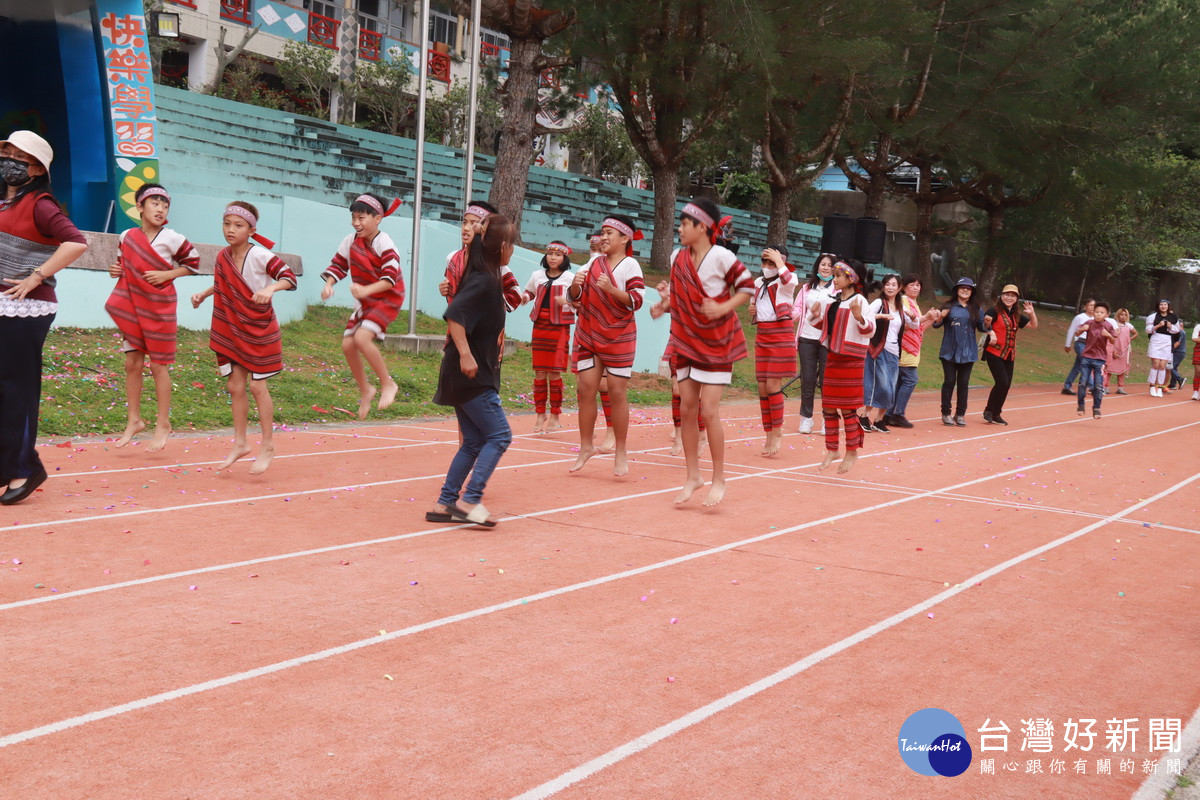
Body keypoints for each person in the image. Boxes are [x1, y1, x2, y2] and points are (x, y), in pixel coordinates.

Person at [0, 130, 88, 505]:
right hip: (5, 305)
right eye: (6, 151)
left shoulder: (40, 203)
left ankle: (22, 468)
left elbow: (77, 241)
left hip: (27, 309)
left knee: (14, 390)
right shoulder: (6, 201)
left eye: (19, 156)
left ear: (36, 168)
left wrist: (36, 275)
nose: (9, 159)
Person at [190, 201, 297, 474]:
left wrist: (271, 288)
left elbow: (289, 278)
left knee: (257, 387)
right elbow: (221, 284)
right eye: (227, 223)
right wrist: (204, 294)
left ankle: (268, 445)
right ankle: (240, 443)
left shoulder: (261, 255)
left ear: (251, 229)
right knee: (235, 387)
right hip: (232, 328)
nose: (230, 229)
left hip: (259, 329)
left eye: (238, 225)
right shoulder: (223, 256)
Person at [664, 198, 754, 503]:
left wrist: (722, 307)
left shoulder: (722, 257)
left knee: (709, 411)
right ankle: (693, 475)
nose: (679, 228)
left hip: (717, 344)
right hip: (686, 342)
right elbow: (677, 297)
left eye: (684, 223)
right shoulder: (677, 256)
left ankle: (719, 478)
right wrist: (664, 303)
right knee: (687, 409)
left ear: (702, 226)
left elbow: (747, 287)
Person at [427, 215, 515, 528]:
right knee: (501, 435)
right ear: (503, 247)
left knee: (474, 441)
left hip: (467, 373)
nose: (513, 249)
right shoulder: (484, 280)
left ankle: (445, 502)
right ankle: (470, 499)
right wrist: (466, 355)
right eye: (513, 243)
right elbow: (455, 316)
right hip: (471, 374)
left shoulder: (485, 275)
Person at [104, 183, 200, 452]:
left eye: (165, 205)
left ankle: (163, 422)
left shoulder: (173, 238)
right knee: (132, 364)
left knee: (159, 366)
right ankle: (134, 420)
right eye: (155, 203)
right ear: (139, 207)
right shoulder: (126, 235)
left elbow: (194, 264)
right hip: (134, 305)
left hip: (160, 308)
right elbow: (124, 265)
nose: (160, 209)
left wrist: (167, 274)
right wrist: (116, 270)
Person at [567, 213, 646, 477]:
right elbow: (575, 299)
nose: (603, 237)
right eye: (602, 232)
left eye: (609, 233)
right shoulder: (592, 263)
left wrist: (612, 290)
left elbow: (636, 301)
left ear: (625, 238)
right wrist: (575, 289)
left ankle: (621, 451)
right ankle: (585, 446)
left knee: (616, 392)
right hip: (589, 333)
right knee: (585, 389)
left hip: (619, 335)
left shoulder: (631, 265)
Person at [320, 192, 405, 419]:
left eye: (361, 218)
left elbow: (389, 279)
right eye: (354, 218)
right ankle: (366, 389)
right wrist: (329, 285)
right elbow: (338, 265)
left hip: (387, 298)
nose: (356, 223)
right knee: (348, 345)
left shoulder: (384, 242)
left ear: (377, 219)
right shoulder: (350, 242)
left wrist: (366, 290)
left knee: (361, 338)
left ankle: (388, 384)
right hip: (365, 301)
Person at [806, 260, 874, 474]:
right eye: (833, 276)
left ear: (851, 279)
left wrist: (859, 316)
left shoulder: (860, 301)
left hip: (852, 359)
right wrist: (815, 316)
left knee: (847, 409)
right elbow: (824, 326)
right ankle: (832, 449)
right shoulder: (832, 301)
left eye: (838, 276)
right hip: (834, 357)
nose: (833, 279)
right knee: (828, 406)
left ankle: (852, 450)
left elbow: (870, 330)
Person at [520, 240, 574, 433]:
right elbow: (529, 291)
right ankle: (540, 412)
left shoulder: (570, 278)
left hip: (559, 328)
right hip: (540, 326)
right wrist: (525, 297)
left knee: (555, 372)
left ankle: (555, 414)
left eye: (558, 254)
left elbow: (578, 301)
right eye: (550, 253)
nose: (553, 257)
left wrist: (566, 302)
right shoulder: (537, 275)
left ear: (564, 258)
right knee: (539, 372)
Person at [752, 245, 798, 455]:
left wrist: (778, 260)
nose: (767, 266)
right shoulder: (758, 283)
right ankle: (768, 432)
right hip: (763, 335)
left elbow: (788, 279)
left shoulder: (787, 280)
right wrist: (753, 309)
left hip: (781, 334)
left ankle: (778, 432)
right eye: (765, 262)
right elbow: (757, 305)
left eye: (771, 263)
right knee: (762, 388)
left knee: (772, 385)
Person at [440, 201, 522, 310]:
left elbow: (515, 296)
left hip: (485, 326)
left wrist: (491, 301)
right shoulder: (452, 258)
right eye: (464, 222)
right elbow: (452, 292)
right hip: (456, 323)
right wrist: (444, 289)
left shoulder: (498, 267)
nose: (466, 228)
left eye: (474, 223)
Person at [884, 274, 937, 429]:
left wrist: (931, 319)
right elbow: (904, 324)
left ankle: (889, 414)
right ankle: (897, 413)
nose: (915, 288)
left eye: (918, 285)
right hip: (904, 346)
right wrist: (926, 316)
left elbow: (918, 329)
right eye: (912, 285)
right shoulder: (904, 301)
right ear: (904, 287)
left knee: (900, 382)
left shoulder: (914, 303)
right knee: (910, 379)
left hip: (912, 348)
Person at [980, 284, 1038, 425]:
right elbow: (984, 324)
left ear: (1016, 298)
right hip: (993, 351)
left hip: (1009, 353)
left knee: (1006, 385)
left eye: (1013, 296)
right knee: (1002, 382)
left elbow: (1033, 325)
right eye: (1007, 295)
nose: (1009, 298)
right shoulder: (994, 310)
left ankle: (995, 414)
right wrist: (988, 324)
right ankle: (989, 410)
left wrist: (1031, 312)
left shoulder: (1016, 314)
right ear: (1002, 296)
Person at [932, 276, 987, 426]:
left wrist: (987, 323)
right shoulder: (948, 306)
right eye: (962, 287)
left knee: (963, 383)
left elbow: (982, 328)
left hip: (968, 352)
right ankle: (946, 413)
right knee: (949, 382)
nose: (965, 290)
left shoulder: (976, 309)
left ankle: (960, 414)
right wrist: (940, 317)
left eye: (968, 288)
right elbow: (936, 325)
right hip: (949, 351)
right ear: (957, 290)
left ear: (972, 292)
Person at [792, 253, 836, 434]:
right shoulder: (806, 288)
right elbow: (796, 310)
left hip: (828, 341)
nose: (825, 268)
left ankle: (828, 419)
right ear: (817, 267)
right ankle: (806, 418)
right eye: (822, 264)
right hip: (806, 338)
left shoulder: (838, 290)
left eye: (829, 265)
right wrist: (784, 310)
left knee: (827, 381)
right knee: (808, 379)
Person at [862, 272, 902, 433]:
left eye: (894, 285)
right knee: (881, 386)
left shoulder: (901, 307)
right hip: (879, 350)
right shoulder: (879, 302)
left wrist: (927, 317)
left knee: (891, 388)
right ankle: (864, 416)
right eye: (887, 284)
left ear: (899, 288)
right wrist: (881, 316)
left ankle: (879, 420)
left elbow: (913, 323)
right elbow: (865, 316)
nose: (890, 287)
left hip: (894, 352)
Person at [1075, 301, 1115, 418]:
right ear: (1093, 313)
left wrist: (1109, 335)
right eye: (1097, 312)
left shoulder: (1108, 326)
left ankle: (1096, 407)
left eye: (1101, 313)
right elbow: (1077, 334)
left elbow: (1113, 341)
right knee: (1083, 382)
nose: (1098, 314)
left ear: (1107, 314)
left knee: (1098, 385)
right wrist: (1082, 329)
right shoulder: (1089, 323)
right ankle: (1081, 405)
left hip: (1100, 359)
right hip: (1087, 357)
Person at [1145, 300, 1181, 397]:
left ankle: (1160, 387)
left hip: (1167, 341)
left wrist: (1170, 326)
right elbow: (1148, 330)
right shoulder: (1153, 316)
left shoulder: (1173, 317)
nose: (1163, 306)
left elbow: (1177, 330)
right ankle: (1152, 385)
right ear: (1158, 306)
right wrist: (1158, 326)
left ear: (1168, 306)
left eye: (1165, 305)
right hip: (1156, 339)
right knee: (1156, 364)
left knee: (1162, 366)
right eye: (1161, 304)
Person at [1061, 298, 1096, 395]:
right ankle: (1093, 387)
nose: (1092, 308)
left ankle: (1067, 387)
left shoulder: (1096, 319)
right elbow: (1071, 330)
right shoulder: (1080, 317)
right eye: (1090, 305)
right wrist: (1067, 344)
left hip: (1090, 345)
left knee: (1077, 367)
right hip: (1080, 343)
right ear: (1085, 306)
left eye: (1094, 306)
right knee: (1087, 364)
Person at [1104, 308, 1138, 395]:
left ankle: (1120, 387)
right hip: (1113, 348)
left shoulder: (1129, 325)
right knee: (1109, 369)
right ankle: (1106, 386)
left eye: (1125, 315)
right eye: (1121, 314)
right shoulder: (1113, 324)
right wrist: (1113, 350)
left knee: (1122, 370)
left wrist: (1129, 339)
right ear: (1118, 315)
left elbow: (1136, 333)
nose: (1123, 316)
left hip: (1124, 350)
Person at [1168, 319, 1188, 390]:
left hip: (1178, 352)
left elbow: (1177, 343)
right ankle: (1173, 384)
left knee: (1170, 367)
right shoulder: (1182, 332)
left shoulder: (1181, 332)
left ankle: (1180, 379)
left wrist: (1170, 350)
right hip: (1180, 353)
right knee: (1174, 368)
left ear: (1181, 324)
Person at [1192, 320, 1200, 400]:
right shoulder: (1198, 327)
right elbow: (1194, 338)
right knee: (1198, 372)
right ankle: (1195, 391)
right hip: (1198, 351)